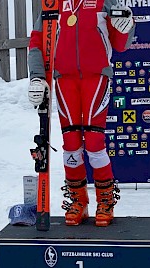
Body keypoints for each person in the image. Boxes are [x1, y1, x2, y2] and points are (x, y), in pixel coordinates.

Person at [28, 0, 135, 227]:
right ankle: (78, 201)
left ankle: (105, 200)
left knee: (95, 142)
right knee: (71, 143)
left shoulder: (104, 2)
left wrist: (126, 26)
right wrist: (37, 76)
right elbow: (37, 41)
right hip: (64, 80)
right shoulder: (53, 4)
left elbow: (120, 44)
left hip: (96, 77)